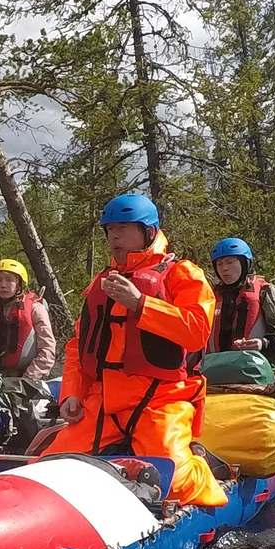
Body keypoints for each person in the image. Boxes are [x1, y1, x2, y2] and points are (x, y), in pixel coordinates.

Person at [38, 193, 226, 508]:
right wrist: (71, 393)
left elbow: (196, 332)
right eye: (110, 230)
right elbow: (78, 347)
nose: (114, 236)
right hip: (103, 403)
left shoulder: (183, 274)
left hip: (160, 400)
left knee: (174, 483)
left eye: (123, 228)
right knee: (47, 470)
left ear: (148, 232)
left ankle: (204, 466)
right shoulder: (103, 281)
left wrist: (140, 304)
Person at [207, 237, 275, 367]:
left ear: (244, 263)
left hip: (252, 368)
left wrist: (262, 343)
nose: (224, 268)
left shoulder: (264, 292)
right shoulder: (209, 296)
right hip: (215, 369)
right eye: (219, 264)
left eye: (230, 262)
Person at [0, 258, 57, 381]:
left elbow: (47, 351)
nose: (3, 285)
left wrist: (27, 380)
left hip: (26, 379)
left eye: (9, 280)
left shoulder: (35, 309)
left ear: (19, 284)